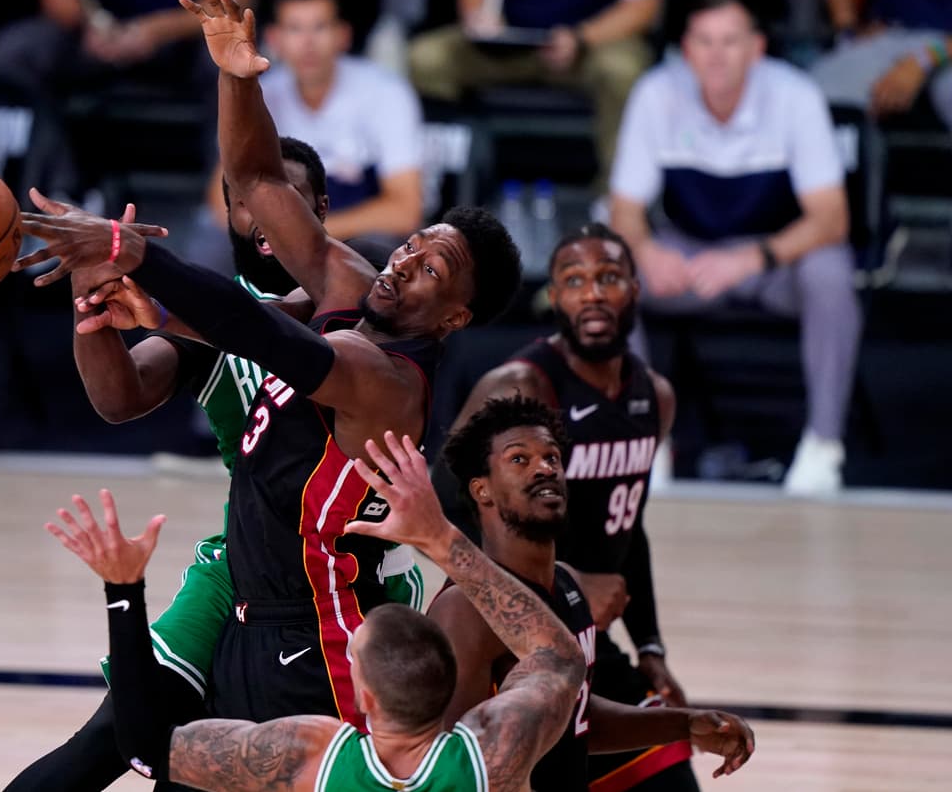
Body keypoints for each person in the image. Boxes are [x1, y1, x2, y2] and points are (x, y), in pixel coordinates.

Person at [15, 0, 522, 730]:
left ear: (455, 317)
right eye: (414, 245)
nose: (405, 262)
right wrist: (236, 76)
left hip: (322, 634)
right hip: (253, 602)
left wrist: (133, 254)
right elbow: (255, 178)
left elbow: (263, 335)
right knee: (163, 760)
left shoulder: (388, 383)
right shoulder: (347, 281)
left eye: (431, 270)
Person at [5, 137, 424, 791]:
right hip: (243, 566)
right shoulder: (205, 308)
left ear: (318, 207)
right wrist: (90, 297)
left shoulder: (361, 287)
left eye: (280, 198)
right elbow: (120, 397)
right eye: (242, 203)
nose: (260, 217)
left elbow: (270, 326)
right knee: (117, 739)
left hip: (355, 573)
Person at [42, 427, 588, 791]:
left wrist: (123, 589)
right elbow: (559, 657)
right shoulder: (493, 753)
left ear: (364, 697)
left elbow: (143, 750)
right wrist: (439, 539)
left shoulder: (312, 757)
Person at [438, 229, 697, 790]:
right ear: (554, 297)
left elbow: (630, 529)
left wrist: (650, 646)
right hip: (514, 631)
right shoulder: (522, 383)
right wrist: (562, 579)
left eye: (609, 278)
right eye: (575, 281)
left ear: (634, 289)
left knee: (668, 767)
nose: (593, 293)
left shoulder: (655, 396)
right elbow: (441, 500)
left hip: (586, 630)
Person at [434, 394, 755, 791]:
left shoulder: (567, 583)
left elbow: (576, 721)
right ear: (482, 490)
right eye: (519, 459)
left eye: (552, 458)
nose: (544, 468)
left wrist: (684, 724)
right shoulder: (464, 609)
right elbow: (449, 766)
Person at [609, 0, 858, 495]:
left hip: (775, 261)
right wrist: (648, 251)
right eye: (704, 41)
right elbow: (624, 210)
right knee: (609, 275)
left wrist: (751, 258)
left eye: (730, 41)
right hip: (689, 257)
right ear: (686, 49)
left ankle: (823, 444)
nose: (717, 55)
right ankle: (644, 440)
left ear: (756, 48)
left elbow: (832, 218)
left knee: (830, 272)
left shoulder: (795, 97)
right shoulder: (656, 94)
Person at [0, 0, 258, 198]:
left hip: (181, 39)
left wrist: (155, 30)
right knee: (15, 53)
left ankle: (227, 195)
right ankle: (59, 187)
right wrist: (94, 26)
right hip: (100, 36)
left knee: (230, 60)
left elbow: (233, 1)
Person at [407, 0, 666, 193]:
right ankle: (445, 186)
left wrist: (582, 37)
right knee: (427, 59)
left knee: (622, 71)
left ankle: (617, 196)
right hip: (509, 46)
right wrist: (481, 21)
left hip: (590, 46)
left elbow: (644, 5)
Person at [204, 0, 424, 242]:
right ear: (274, 39)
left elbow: (405, 212)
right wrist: (236, 80)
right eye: (295, 29)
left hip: (353, 236)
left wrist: (303, 235)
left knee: (378, 244)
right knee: (212, 239)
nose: (308, 43)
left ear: (343, 35)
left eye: (320, 27)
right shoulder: (261, 92)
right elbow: (222, 205)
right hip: (278, 236)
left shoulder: (386, 92)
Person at [814, 0, 952, 127]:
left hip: (947, 49)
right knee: (816, 95)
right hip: (895, 34)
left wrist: (921, 61)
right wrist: (846, 25)